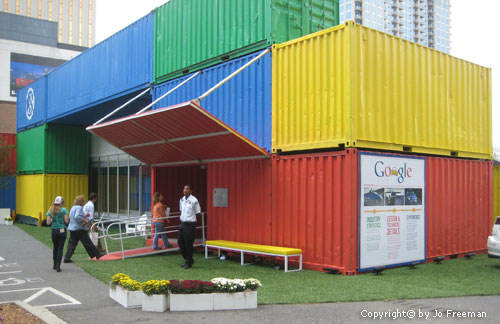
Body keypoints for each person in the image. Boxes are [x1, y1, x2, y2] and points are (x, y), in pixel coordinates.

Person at [64, 195, 104, 263]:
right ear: (81, 201)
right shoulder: (79, 207)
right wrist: (85, 220)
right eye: (83, 201)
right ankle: (97, 254)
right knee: (87, 242)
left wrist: (85, 216)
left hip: (72, 228)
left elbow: (74, 216)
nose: (84, 202)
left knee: (72, 243)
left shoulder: (73, 207)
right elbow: (77, 217)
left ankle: (67, 258)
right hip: (79, 228)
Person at [178, 184, 201, 269]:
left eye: (187, 189)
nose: (185, 190)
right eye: (184, 188)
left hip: (190, 224)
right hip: (183, 223)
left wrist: (193, 224)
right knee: (180, 242)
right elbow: (181, 211)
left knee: (188, 244)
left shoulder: (194, 200)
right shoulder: (182, 200)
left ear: (191, 191)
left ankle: (188, 262)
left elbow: (198, 213)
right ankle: (189, 259)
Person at [46, 196, 69, 272]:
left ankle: (54, 264)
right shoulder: (64, 210)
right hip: (62, 230)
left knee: (55, 247)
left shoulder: (50, 210)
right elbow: (66, 221)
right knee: (60, 248)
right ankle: (58, 266)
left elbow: (48, 222)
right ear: (61, 203)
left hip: (54, 230)